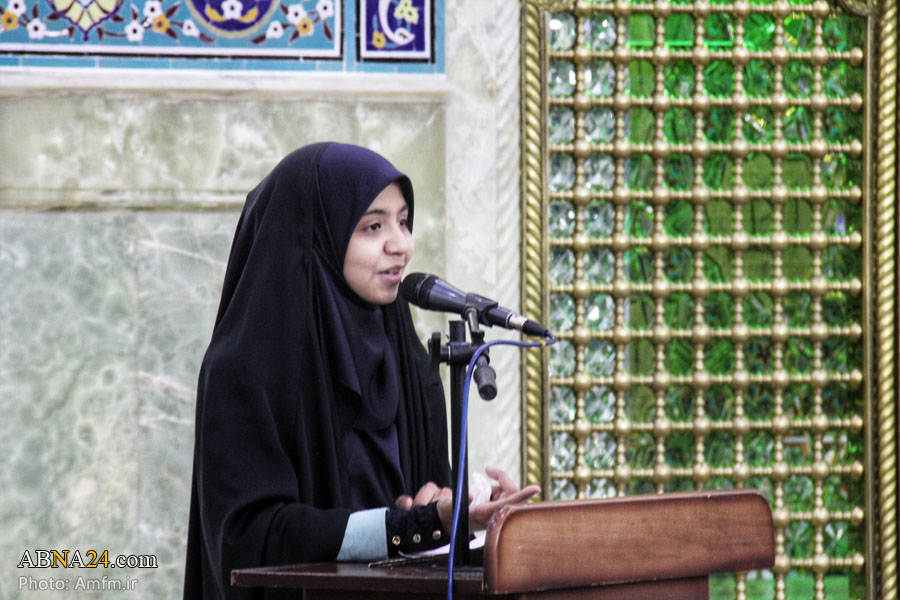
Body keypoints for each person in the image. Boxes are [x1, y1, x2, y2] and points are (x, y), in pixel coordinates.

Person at [183, 143, 539, 600]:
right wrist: (406, 527)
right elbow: (251, 537)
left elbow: (429, 512)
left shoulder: (410, 363)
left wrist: (474, 513)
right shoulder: (242, 371)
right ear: (317, 236)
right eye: (373, 226)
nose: (401, 245)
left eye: (403, 221)